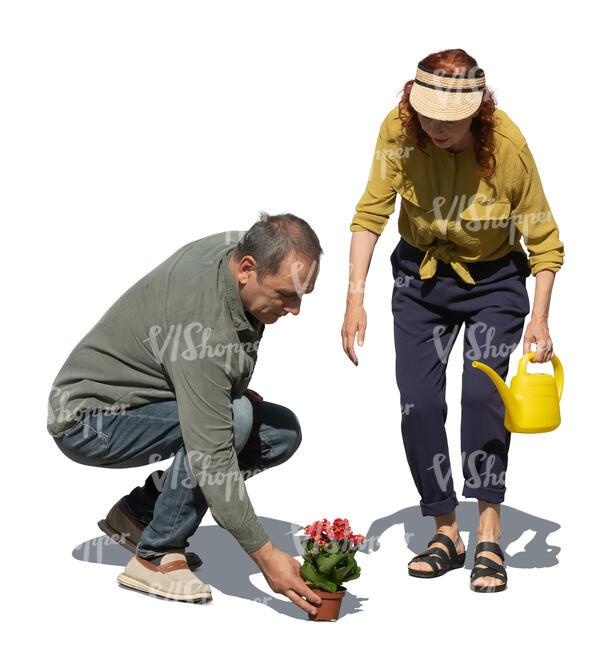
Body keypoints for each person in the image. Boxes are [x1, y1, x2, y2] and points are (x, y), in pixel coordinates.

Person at [341, 49, 564, 592]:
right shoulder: (399, 130)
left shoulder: (507, 148)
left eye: (449, 118)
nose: (435, 127)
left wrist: (540, 317)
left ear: (478, 110)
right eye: (427, 114)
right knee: (418, 403)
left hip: (493, 283)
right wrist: (355, 296)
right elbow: (372, 210)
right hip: (419, 279)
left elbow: (544, 239)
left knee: (483, 398)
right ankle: (445, 529)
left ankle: (488, 525)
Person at [48, 212, 324, 612]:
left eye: (303, 294)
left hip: (144, 400)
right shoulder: (205, 325)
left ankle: (139, 516)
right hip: (90, 420)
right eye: (286, 294)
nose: (295, 309)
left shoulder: (238, 249)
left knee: (280, 432)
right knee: (236, 419)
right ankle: (155, 556)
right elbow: (213, 453)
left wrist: (224, 388)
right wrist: (266, 556)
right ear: (248, 268)